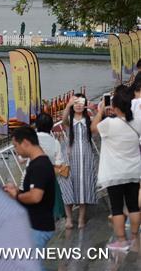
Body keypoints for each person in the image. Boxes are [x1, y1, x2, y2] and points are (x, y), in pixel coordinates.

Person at [92, 86, 141, 250]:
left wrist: (99, 111)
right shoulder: (137, 121)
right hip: (134, 170)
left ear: (115, 106)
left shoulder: (108, 124)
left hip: (115, 173)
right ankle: (135, 236)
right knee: (133, 204)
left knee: (117, 207)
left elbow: (93, 128)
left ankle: (121, 240)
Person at [4, 126, 56, 249]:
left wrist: (16, 196)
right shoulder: (37, 163)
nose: (16, 150)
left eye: (16, 146)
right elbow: (33, 192)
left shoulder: (40, 165)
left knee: (31, 266)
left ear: (26, 143)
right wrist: (17, 191)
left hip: (38, 228)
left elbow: (35, 196)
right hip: (36, 226)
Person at [58, 94, 98, 228]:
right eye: (76, 103)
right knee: (68, 186)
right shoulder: (70, 119)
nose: (79, 105)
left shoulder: (89, 119)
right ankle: (69, 219)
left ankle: (81, 218)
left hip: (86, 156)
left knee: (84, 186)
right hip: (70, 156)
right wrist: (68, 105)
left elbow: (98, 126)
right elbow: (63, 120)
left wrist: (95, 110)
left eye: (81, 102)